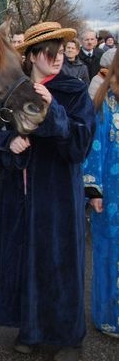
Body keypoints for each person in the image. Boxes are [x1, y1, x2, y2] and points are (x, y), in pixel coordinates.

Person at [0, 22, 94, 361]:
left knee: (59, 263)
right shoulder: (13, 90)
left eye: (60, 52)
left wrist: (54, 110)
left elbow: (80, 144)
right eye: (49, 53)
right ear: (31, 57)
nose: (57, 58)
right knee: (24, 261)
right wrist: (8, 141)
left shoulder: (73, 90)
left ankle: (67, 337)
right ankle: (29, 329)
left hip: (57, 196)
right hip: (20, 194)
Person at [83, 49, 119, 339]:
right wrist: (94, 190)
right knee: (108, 253)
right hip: (110, 195)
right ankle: (108, 316)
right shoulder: (104, 103)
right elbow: (95, 148)